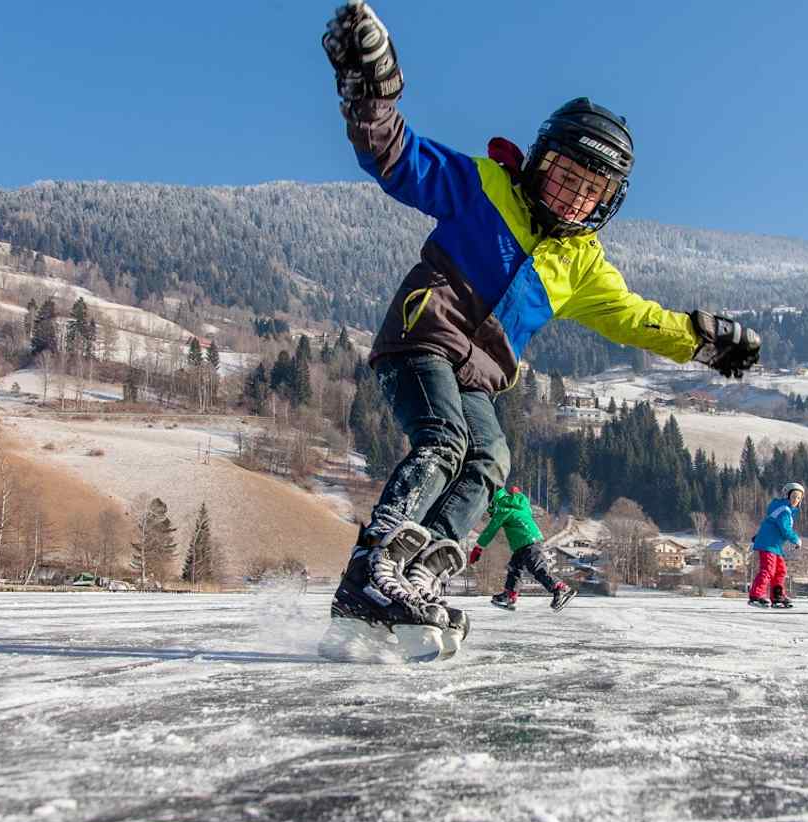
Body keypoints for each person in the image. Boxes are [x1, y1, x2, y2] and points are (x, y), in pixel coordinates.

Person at [316, 1, 762, 661]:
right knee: (443, 442)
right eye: (564, 176)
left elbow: (638, 318)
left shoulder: (579, 266)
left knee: (489, 461)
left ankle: (419, 573)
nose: (571, 195)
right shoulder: (484, 187)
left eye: (589, 191)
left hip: (478, 378)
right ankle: (372, 567)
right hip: (421, 338)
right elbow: (399, 159)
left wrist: (702, 340)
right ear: (540, 161)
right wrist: (371, 94)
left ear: (606, 205)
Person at [467, 487, 575, 611]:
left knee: (536, 568)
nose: (489, 511)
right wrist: (517, 494)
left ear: (492, 502)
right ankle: (510, 595)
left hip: (528, 543)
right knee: (514, 568)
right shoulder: (519, 503)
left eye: (488, 507)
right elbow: (524, 503)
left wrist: (478, 548)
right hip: (525, 543)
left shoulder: (502, 509)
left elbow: (490, 530)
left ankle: (560, 588)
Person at [749, 483, 805, 609]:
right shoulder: (784, 510)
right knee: (768, 569)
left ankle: (777, 596)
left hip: (775, 546)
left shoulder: (786, 510)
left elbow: (769, 525)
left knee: (780, 571)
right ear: (787, 496)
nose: (796, 500)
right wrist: (796, 539)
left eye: (799, 498)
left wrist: (758, 536)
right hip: (769, 545)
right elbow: (784, 528)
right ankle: (756, 595)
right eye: (794, 496)